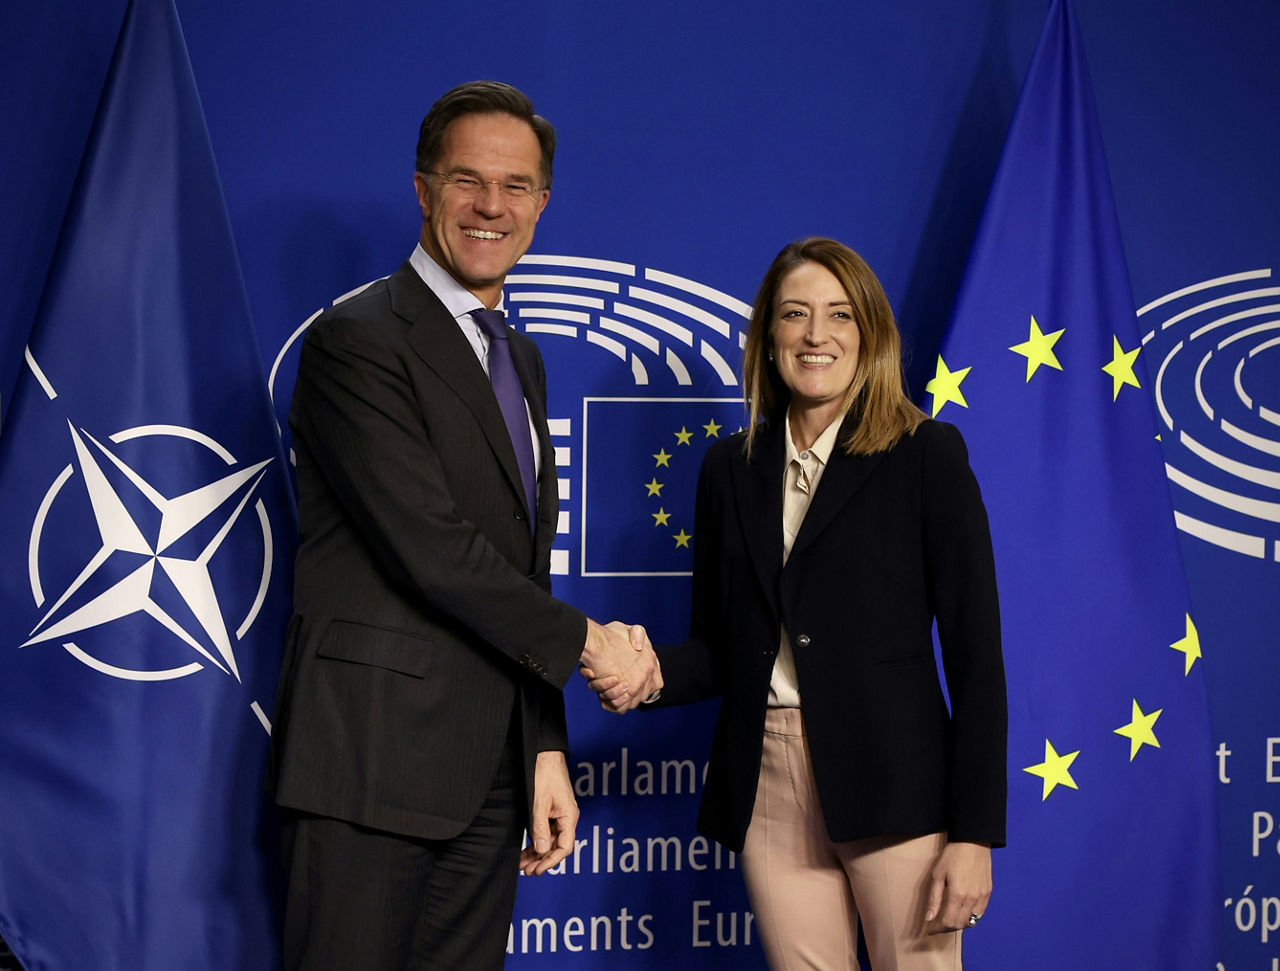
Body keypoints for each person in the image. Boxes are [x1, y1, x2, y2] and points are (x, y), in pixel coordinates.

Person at [268, 80, 661, 970]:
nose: (492, 206)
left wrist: (544, 746)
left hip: (486, 778)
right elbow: (433, 550)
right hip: (368, 769)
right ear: (423, 189)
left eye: (517, 186)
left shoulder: (520, 356)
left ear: (543, 203)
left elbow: (520, 573)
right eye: (468, 180)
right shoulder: (357, 340)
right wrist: (595, 647)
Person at [586, 237, 1006, 969]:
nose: (817, 335)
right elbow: (721, 647)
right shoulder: (729, 467)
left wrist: (973, 834)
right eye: (795, 314)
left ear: (869, 334)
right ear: (768, 337)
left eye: (840, 315)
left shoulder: (926, 455)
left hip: (895, 784)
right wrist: (646, 672)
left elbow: (977, 659)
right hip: (768, 785)